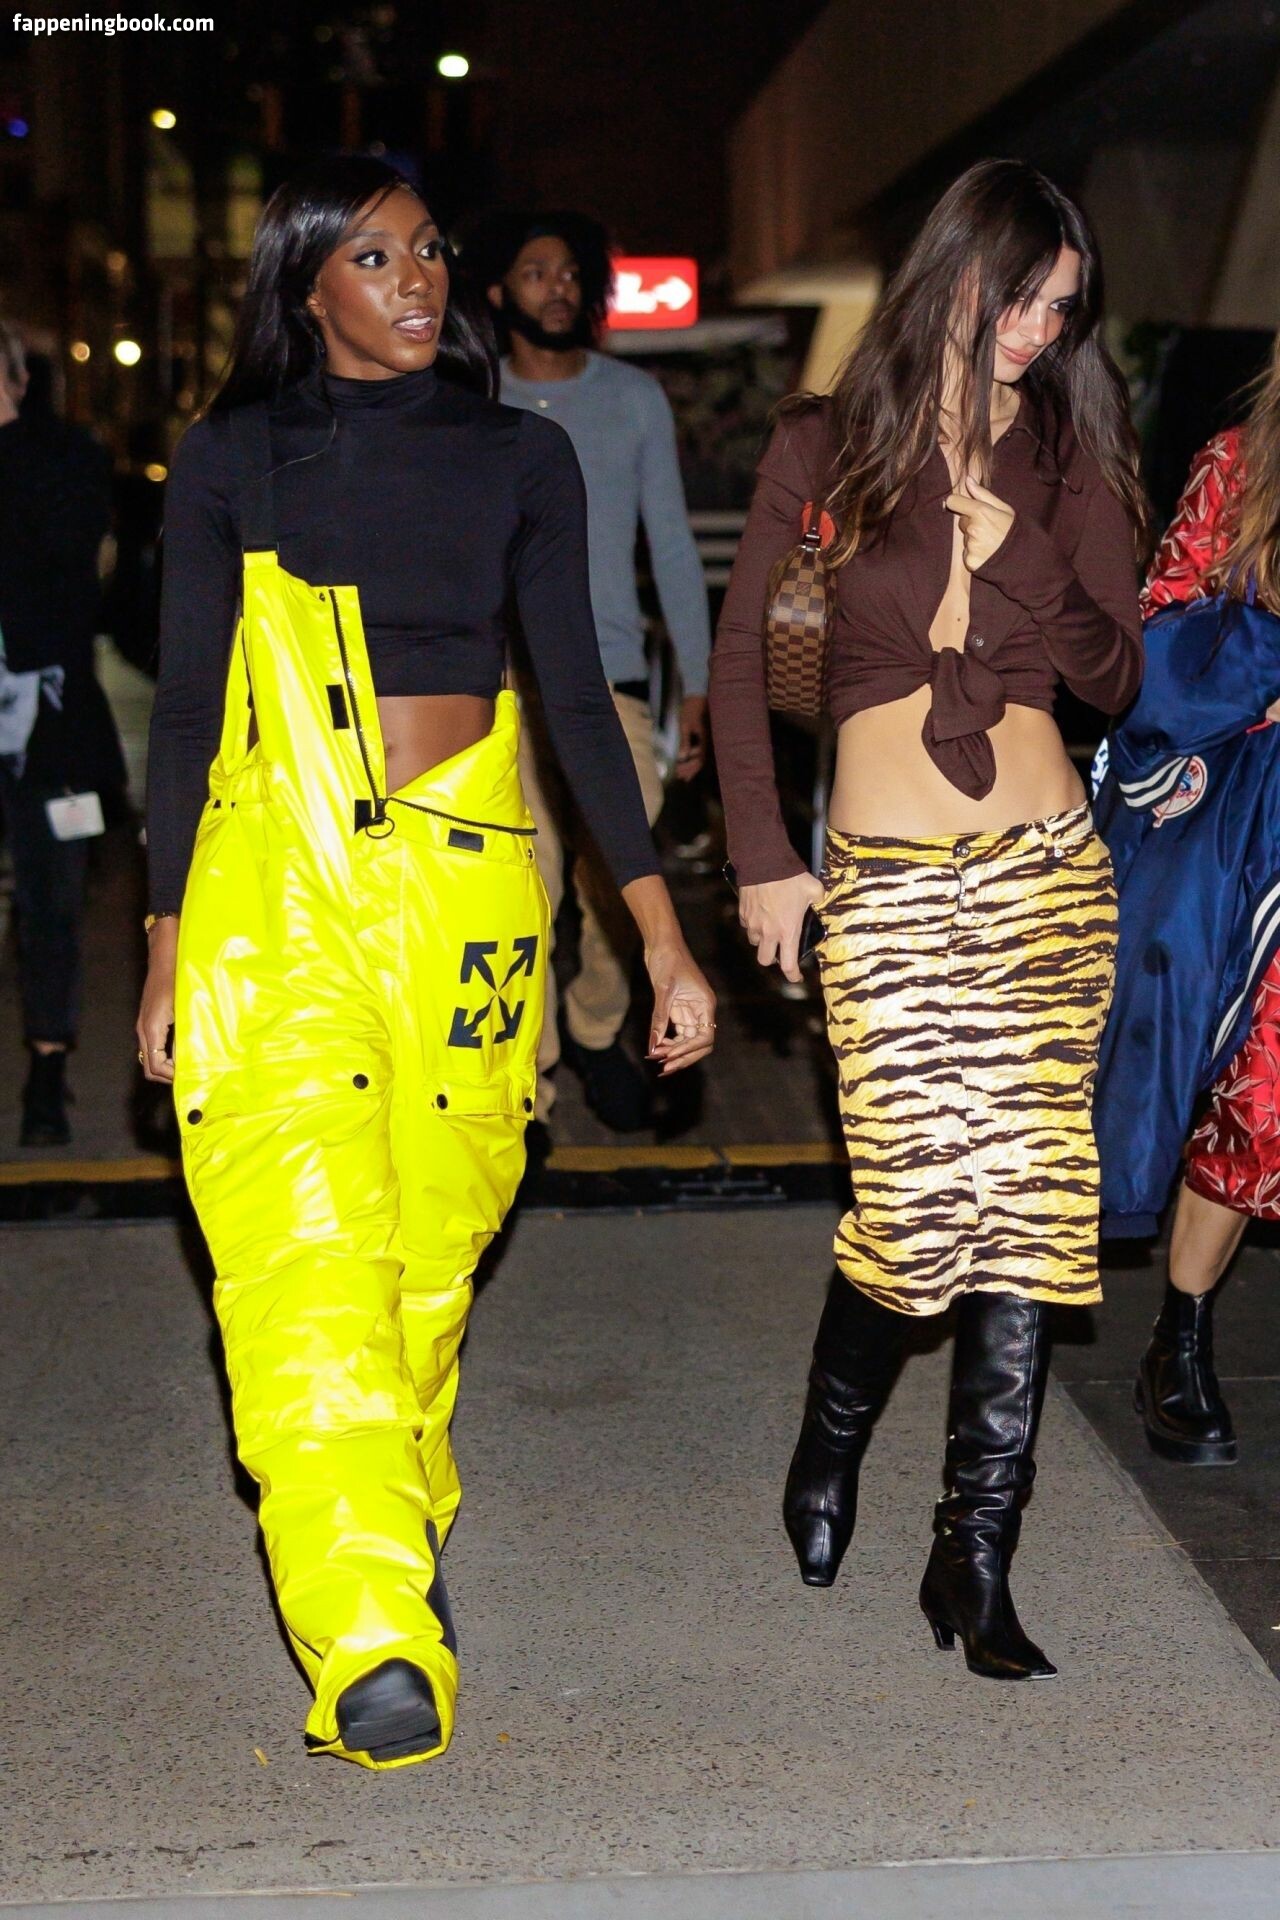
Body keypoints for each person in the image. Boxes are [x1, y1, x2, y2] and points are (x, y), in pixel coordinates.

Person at [137, 157, 715, 1770]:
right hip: (276, 887)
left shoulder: (521, 457)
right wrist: (169, 945)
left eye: (428, 250)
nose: (418, 278)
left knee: (428, 1264)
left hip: (468, 891)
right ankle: (375, 1637)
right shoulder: (230, 458)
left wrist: (660, 933)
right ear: (306, 281)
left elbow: (578, 702)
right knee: (309, 1257)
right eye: (375, 255)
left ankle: (387, 1519)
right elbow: (186, 713)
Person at [710, 159, 1144, 1680]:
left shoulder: (1070, 456)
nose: (1035, 331)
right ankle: (828, 1446)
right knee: (910, 1216)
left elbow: (1115, 677)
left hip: (1044, 873)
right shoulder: (825, 442)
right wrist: (762, 859)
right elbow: (739, 664)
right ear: (952, 271)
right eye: (1016, 296)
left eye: (1060, 310)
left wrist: (1014, 547)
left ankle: (975, 1552)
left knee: (1031, 1207)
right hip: (885, 879)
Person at [472, 210, 711, 1135]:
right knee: (519, 882)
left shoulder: (633, 397)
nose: (558, 287)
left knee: (623, 857)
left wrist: (696, 683)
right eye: (536, 272)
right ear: (499, 290)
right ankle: (530, 1078)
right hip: (502, 683)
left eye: (571, 272)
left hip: (611, 676)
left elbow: (673, 547)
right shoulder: (472, 396)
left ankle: (598, 1020)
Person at [1103, 341, 1280, 1467]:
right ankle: (1180, 1334)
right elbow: (1155, 640)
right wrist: (1267, 655)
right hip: (1251, 822)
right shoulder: (1239, 464)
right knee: (1260, 1080)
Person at [0, 319, 116, 1146]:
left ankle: (47, 1071)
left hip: (50, 723)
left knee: (52, 902)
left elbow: (66, 573)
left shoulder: (63, 456)